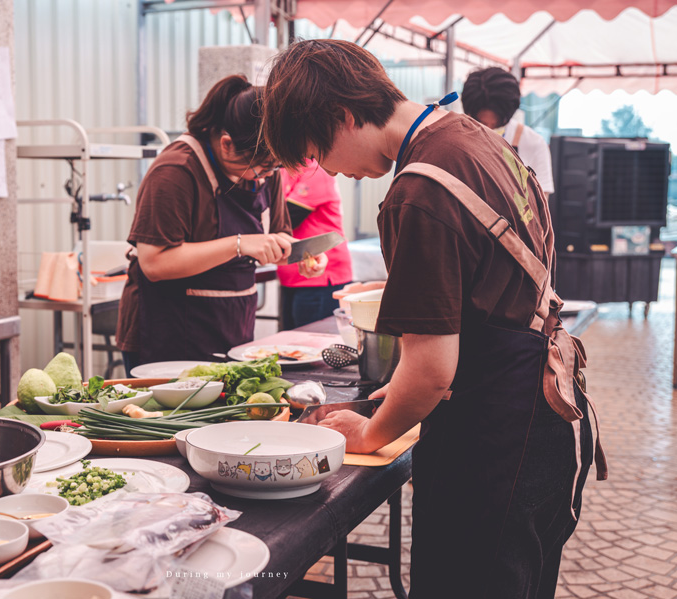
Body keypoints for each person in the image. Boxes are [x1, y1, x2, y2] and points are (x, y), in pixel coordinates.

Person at [261, 39, 605, 599]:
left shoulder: (417, 188)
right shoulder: (472, 138)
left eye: (318, 151)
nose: (331, 172)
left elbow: (431, 371)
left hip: (493, 438)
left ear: (341, 117)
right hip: (545, 419)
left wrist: (369, 432)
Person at [116, 74, 327, 373]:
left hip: (233, 329)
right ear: (227, 144)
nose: (267, 176)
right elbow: (154, 263)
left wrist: (299, 253)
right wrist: (239, 244)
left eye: (275, 167)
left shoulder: (266, 170)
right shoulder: (176, 171)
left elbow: (277, 233)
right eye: (262, 168)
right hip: (169, 336)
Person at [276, 159, 353, 329]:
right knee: (290, 345)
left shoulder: (315, 171)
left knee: (311, 344)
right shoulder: (278, 170)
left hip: (320, 276)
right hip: (290, 273)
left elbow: (287, 218)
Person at [461, 66, 555, 194]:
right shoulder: (458, 138)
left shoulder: (533, 143)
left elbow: (542, 203)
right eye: (481, 124)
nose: (488, 130)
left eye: (496, 125)